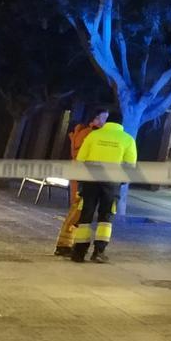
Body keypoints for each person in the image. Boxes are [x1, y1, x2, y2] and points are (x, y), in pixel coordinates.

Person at [70, 115, 137, 263]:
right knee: (106, 217)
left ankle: (79, 253)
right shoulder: (127, 139)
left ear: (107, 122)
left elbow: (80, 160)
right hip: (112, 184)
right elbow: (130, 167)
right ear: (121, 124)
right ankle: (99, 252)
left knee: (86, 214)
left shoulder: (94, 135)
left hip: (90, 182)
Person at [54, 108, 109, 257]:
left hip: (80, 176)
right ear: (95, 118)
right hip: (82, 178)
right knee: (77, 211)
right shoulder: (89, 134)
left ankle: (66, 244)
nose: (106, 122)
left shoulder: (85, 132)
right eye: (104, 118)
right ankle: (64, 245)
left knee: (78, 210)